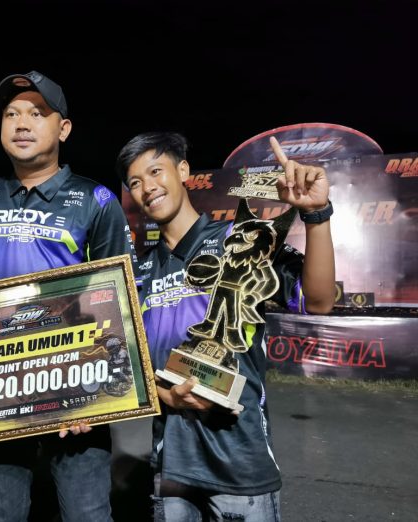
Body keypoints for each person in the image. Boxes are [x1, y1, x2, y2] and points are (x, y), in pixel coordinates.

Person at [0, 70, 136, 521]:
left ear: (63, 129)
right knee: (0, 514)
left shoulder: (95, 199)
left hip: (76, 386)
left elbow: (120, 296)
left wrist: (105, 396)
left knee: (87, 514)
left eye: (37, 113)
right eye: (11, 114)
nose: (21, 123)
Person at [116, 132, 335, 521]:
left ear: (183, 170)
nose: (147, 187)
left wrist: (316, 215)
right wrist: (161, 395)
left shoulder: (240, 239)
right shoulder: (138, 273)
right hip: (171, 469)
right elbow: (131, 365)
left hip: (241, 464)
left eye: (156, 171)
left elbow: (318, 300)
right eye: (135, 182)